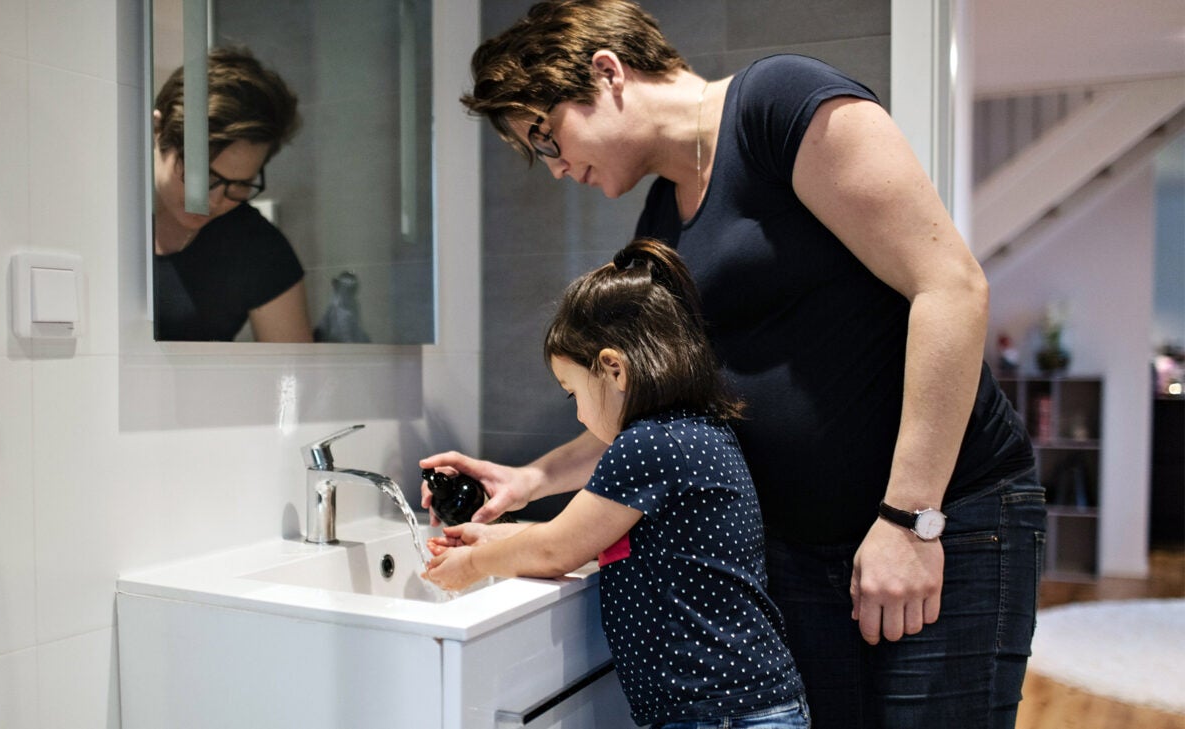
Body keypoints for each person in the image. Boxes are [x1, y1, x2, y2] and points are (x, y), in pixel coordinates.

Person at [422, 1, 1044, 727]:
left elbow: (950, 288)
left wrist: (909, 519)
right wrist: (529, 479)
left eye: (546, 135)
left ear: (607, 72)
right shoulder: (662, 221)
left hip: (946, 517)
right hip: (806, 551)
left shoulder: (779, 106)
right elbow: (655, 411)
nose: (557, 168)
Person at [423, 238, 808, 729]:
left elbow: (557, 549)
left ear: (613, 368)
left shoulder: (647, 445)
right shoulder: (693, 430)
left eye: (573, 394)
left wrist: (473, 564)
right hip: (737, 705)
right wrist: (492, 535)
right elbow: (592, 533)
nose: (580, 414)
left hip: (722, 714)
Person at [151, 46, 312, 342]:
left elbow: (293, 377)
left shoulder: (257, 248)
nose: (213, 201)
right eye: (204, 177)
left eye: (239, 184)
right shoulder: (103, 210)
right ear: (157, 130)